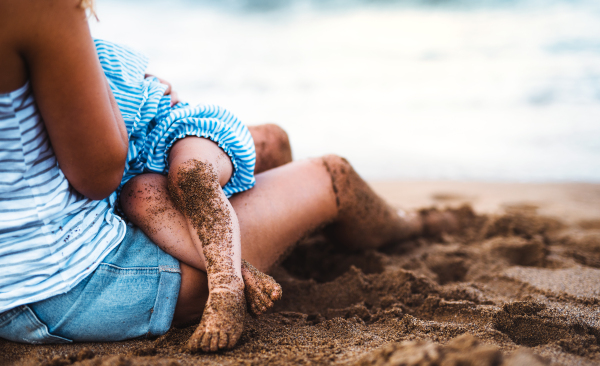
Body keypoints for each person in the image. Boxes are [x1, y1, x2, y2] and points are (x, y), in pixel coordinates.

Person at [0, 0, 455, 353]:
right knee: (331, 174)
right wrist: (128, 98)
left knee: (234, 155)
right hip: (68, 287)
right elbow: (100, 174)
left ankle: (304, 237)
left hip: (15, 279)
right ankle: (242, 270)